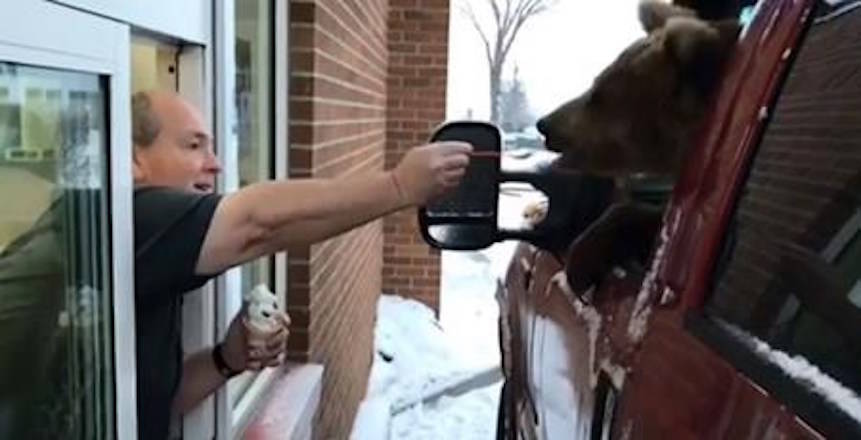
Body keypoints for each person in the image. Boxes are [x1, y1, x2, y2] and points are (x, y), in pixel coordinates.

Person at [131, 90, 472, 439]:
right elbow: (258, 225)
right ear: (133, 160)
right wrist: (398, 186)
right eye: (193, 146)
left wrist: (227, 358)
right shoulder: (137, 219)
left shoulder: (150, 258)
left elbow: (159, 400)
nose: (215, 163)